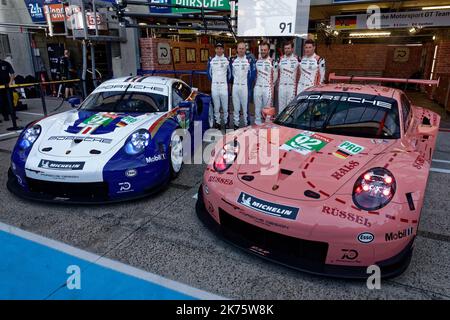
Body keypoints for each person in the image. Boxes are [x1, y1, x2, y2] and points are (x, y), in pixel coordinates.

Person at [230, 41, 256, 130]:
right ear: (237, 49)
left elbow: (252, 75)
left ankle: (247, 126)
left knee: (245, 109)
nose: (241, 50)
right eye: (239, 48)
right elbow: (231, 74)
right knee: (236, 108)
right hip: (236, 86)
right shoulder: (233, 60)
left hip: (245, 86)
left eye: (243, 48)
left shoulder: (249, 60)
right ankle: (236, 126)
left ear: (245, 49)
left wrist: (249, 86)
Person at [207, 42, 232, 130]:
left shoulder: (227, 60)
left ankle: (226, 122)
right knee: (216, 106)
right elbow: (209, 74)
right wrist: (214, 81)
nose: (219, 50)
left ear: (223, 50)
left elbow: (230, 74)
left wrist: (224, 82)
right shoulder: (211, 60)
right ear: (215, 50)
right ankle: (217, 122)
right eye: (217, 48)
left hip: (223, 86)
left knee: (225, 107)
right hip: (214, 86)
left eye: (221, 48)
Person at [253, 41, 278, 125]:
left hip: (267, 88)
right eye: (262, 50)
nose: (263, 51)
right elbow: (255, 74)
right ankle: (257, 126)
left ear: (268, 51)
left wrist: (270, 85)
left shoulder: (273, 62)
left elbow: (275, 77)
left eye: (265, 50)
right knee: (257, 109)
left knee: (267, 110)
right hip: (258, 87)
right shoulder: (257, 61)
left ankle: (266, 128)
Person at [277, 41, 300, 114]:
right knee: (281, 108)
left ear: (292, 49)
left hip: (291, 87)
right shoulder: (280, 59)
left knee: (290, 109)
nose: (287, 50)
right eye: (285, 48)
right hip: (282, 87)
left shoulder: (297, 59)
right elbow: (275, 72)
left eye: (288, 48)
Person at [0, 57, 15, 122]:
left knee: (10, 100)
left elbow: (12, 73)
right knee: (1, 102)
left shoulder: (6, 63)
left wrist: (10, 82)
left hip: (7, 85)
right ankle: (5, 116)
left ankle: (12, 115)